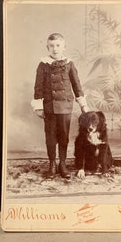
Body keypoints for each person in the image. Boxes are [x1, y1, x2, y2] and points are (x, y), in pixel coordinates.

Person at [31, 33, 88, 179]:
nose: (55, 49)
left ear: (64, 47)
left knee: (63, 136)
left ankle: (62, 164)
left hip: (65, 106)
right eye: (51, 46)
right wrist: (38, 106)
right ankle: (52, 164)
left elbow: (76, 84)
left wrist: (83, 104)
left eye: (58, 46)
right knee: (50, 137)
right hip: (49, 106)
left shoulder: (69, 64)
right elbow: (38, 86)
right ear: (47, 47)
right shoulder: (43, 65)